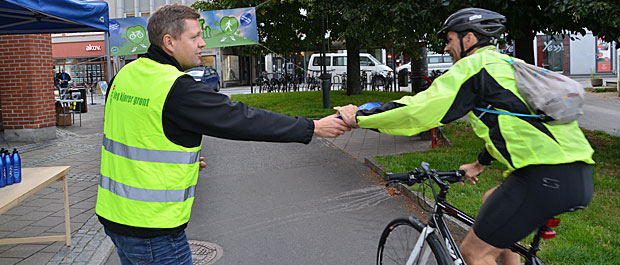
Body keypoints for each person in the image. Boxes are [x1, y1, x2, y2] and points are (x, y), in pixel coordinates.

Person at [336, 8, 594, 265]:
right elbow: (510, 124)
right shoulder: (507, 64)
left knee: (474, 253)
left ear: (468, 38)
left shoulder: (475, 68)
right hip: (577, 174)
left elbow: (418, 111)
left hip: (543, 176)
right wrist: (480, 164)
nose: (446, 48)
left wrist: (359, 116)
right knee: (491, 200)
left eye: (449, 40)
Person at [96, 4, 349, 265]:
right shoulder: (176, 88)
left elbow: (137, 134)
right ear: (169, 42)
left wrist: (180, 159)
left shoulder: (123, 76)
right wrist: (312, 127)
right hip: (154, 230)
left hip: (115, 218)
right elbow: (242, 119)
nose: (202, 43)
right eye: (194, 37)